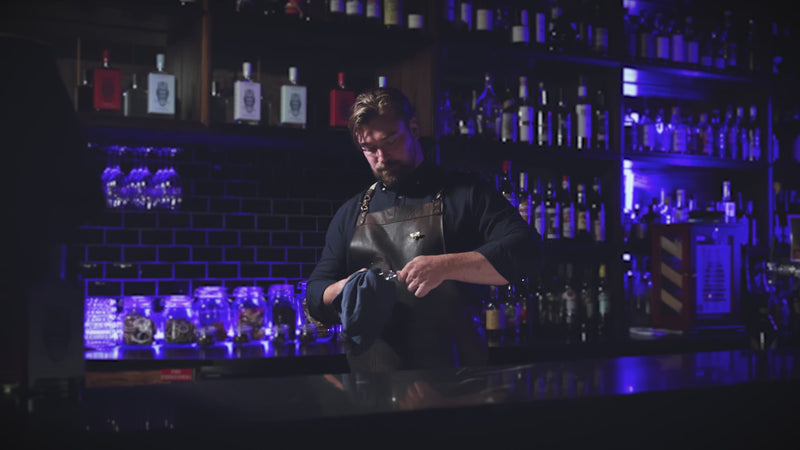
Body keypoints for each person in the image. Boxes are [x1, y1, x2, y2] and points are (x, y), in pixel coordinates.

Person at [307, 87, 541, 372]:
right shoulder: (351, 213)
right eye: (369, 149)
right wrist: (348, 287)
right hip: (372, 394)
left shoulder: (467, 194)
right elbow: (316, 295)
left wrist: (445, 266)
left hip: (458, 388)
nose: (381, 157)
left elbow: (527, 252)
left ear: (414, 128)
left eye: (390, 141)